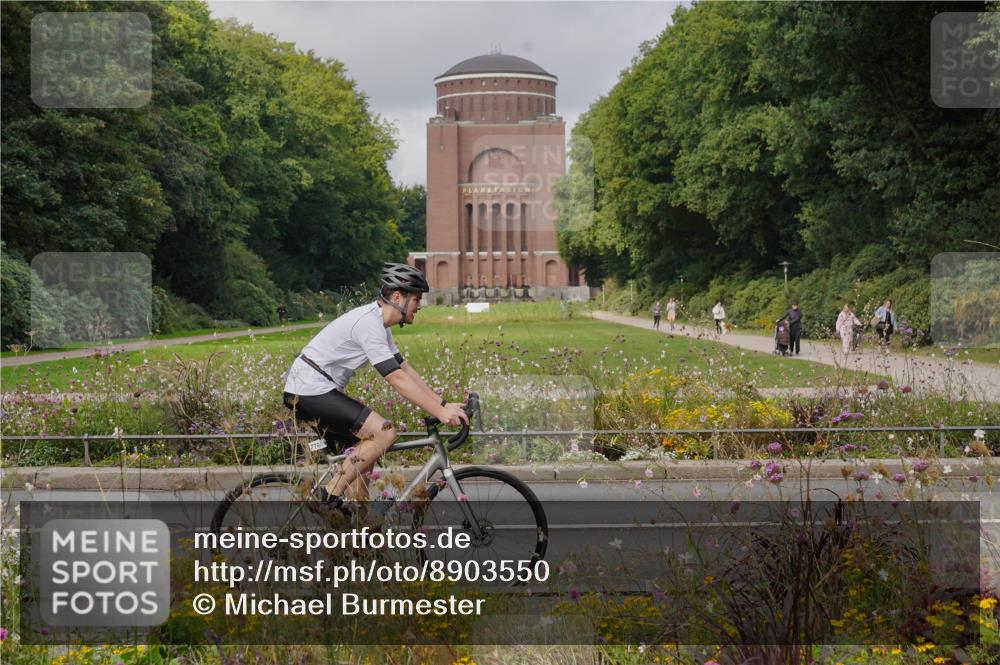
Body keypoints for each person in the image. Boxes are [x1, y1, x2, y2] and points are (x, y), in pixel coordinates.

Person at [282, 263, 469, 507]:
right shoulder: (368, 324)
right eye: (417, 298)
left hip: (316, 390)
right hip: (308, 390)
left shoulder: (379, 325)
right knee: (385, 433)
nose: (420, 305)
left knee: (364, 461)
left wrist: (442, 403)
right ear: (397, 297)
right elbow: (395, 378)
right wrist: (440, 413)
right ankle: (329, 496)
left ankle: (361, 530)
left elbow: (404, 369)